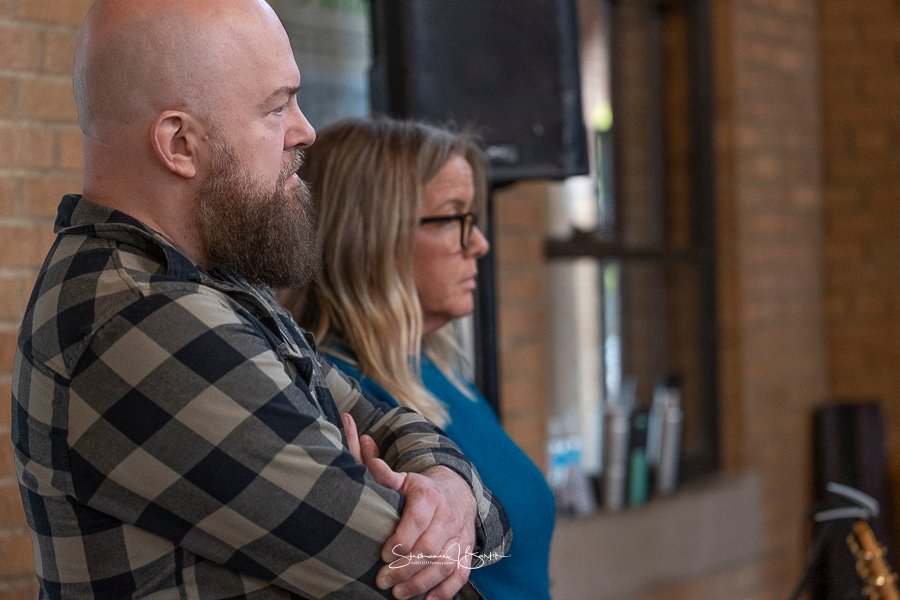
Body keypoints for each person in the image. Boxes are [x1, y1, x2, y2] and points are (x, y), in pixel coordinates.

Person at [10, 1, 511, 598]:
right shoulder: (144, 317)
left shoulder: (210, 286)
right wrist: (442, 516)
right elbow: (415, 580)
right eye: (277, 108)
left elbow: (392, 426)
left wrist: (450, 491)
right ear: (179, 144)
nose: (306, 131)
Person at [279, 117, 556, 600]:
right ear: (373, 237)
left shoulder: (440, 372)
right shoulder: (338, 395)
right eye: (452, 218)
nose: (479, 244)